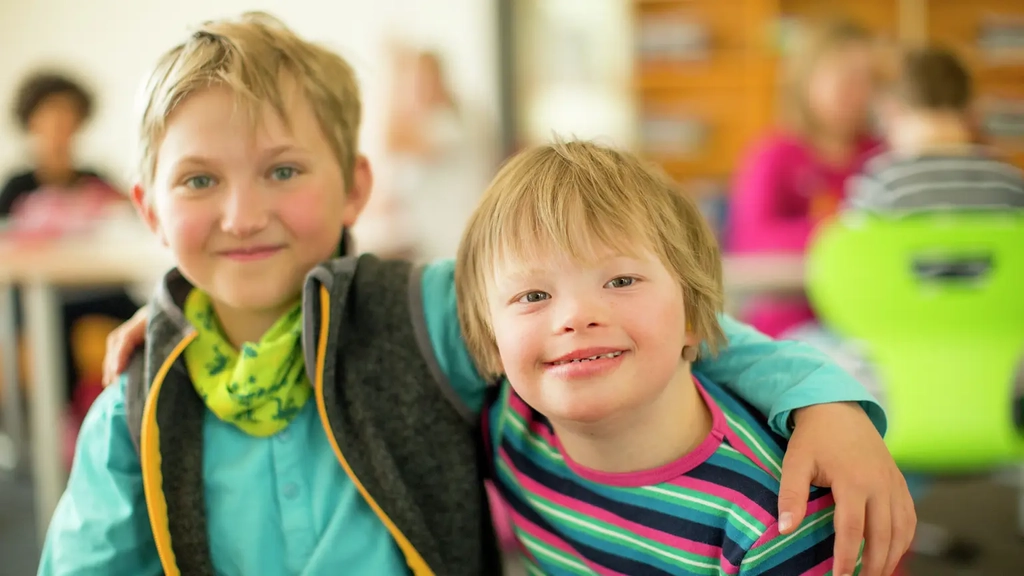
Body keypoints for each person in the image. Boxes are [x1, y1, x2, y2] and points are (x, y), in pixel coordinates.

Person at [58, 12, 912, 576]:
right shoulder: (138, 396)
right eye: (200, 180)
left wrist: (826, 403)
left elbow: (664, 319)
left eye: (283, 169)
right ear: (150, 211)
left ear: (357, 185)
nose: (244, 214)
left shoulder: (424, 312)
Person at [457, 140, 882, 575]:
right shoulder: (504, 423)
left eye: (621, 280)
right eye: (533, 295)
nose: (575, 317)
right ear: (490, 338)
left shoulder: (774, 514)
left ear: (692, 315)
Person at [0, 71, 138, 428]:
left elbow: (135, 219)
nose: (60, 127)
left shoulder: (97, 180)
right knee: (51, 332)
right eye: (50, 116)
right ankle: (63, 429)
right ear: (32, 122)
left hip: (98, 291)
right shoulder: (16, 188)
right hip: (41, 298)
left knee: (153, 317)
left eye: (68, 117)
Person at [728, 19, 882, 337]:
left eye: (866, 79)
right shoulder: (773, 154)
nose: (854, 91)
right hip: (789, 325)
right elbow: (750, 239)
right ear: (806, 79)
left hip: (869, 318)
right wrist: (846, 229)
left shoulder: (883, 155)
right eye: (841, 76)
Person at [847, 46, 1024, 213]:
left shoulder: (879, 185)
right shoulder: (1010, 183)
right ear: (972, 111)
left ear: (891, 110)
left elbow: (849, 244)